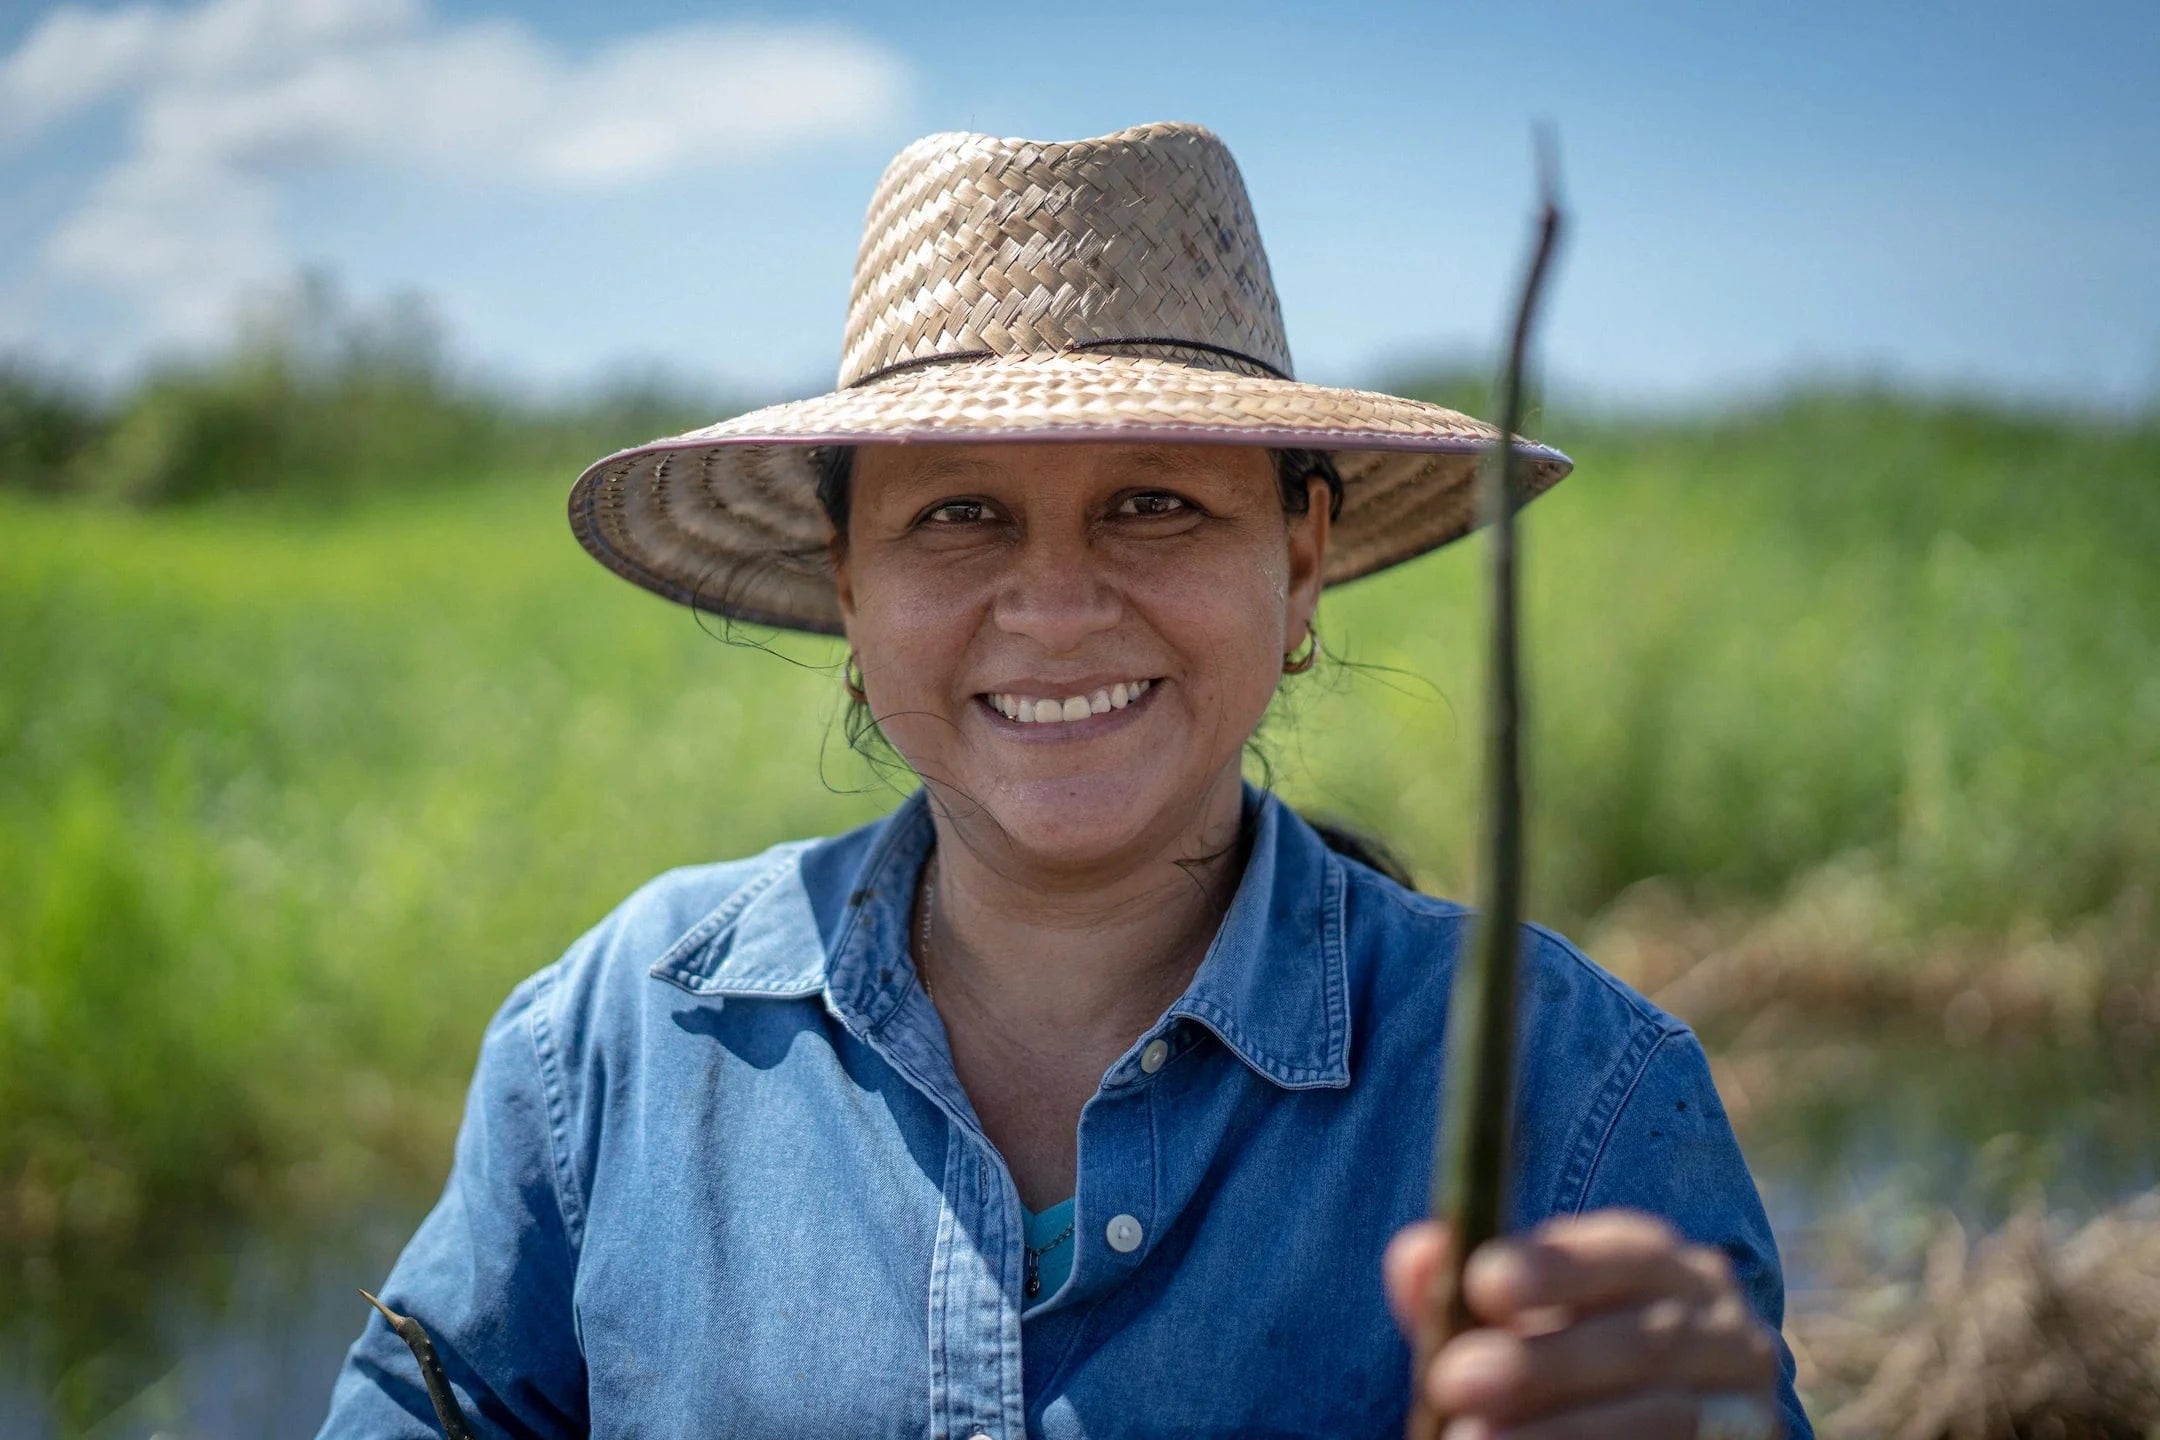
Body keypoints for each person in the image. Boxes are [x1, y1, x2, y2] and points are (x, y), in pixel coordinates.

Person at [318, 121, 1808, 1439]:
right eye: (959, 515)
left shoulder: (1573, 1092)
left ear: (1297, 566)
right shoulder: (619, 1042)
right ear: (847, 587)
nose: (1056, 607)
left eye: (1152, 505)